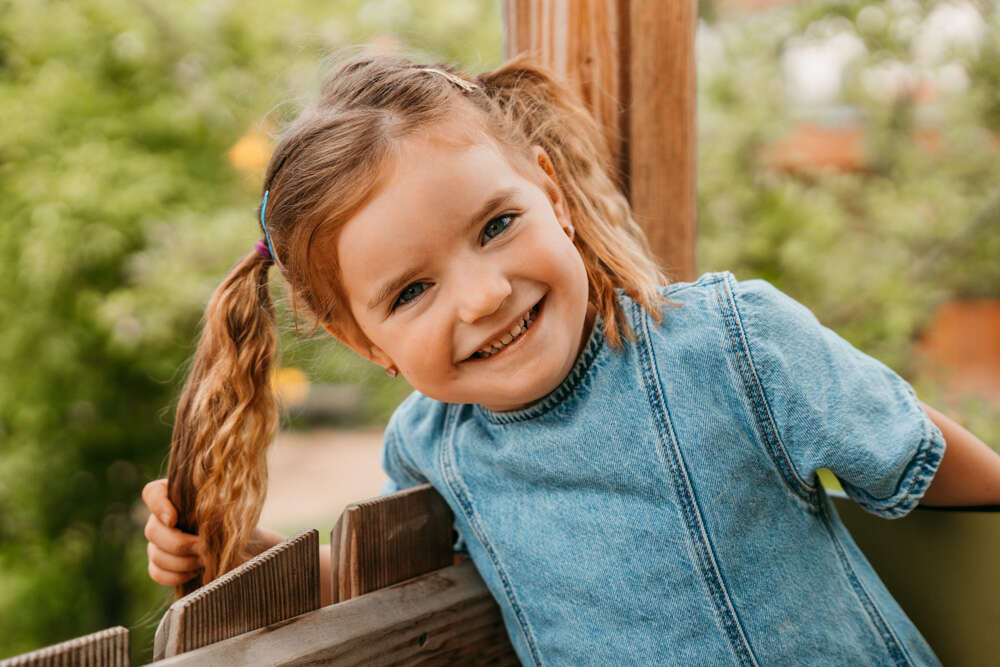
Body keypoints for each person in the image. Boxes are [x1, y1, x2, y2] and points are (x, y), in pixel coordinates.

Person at [141, 53, 1000, 665]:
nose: (481, 296)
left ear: (550, 193)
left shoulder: (733, 345)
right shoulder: (430, 447)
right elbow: (395, 580)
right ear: (370, 345)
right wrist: (235, 548)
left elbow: (921, 458)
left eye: (496, 225)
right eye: (411, 293)